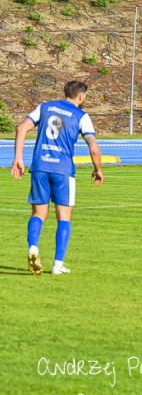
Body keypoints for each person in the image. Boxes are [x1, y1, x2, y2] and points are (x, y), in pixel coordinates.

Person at [10, 80, 103, 275]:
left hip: (40, 167)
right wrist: (98, 169)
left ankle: (33, 247)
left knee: (38, 214)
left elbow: (21, 128)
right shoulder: (81, 116)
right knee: (64, 217)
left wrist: (18, 158)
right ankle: (58, 264)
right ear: (81, 96)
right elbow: (93, 147)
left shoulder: (44, 107)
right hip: (63, 170)